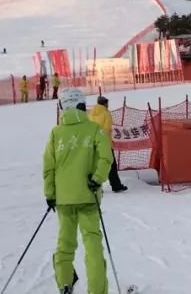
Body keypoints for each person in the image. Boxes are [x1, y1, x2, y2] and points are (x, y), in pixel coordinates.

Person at [43, 88, 113, 294]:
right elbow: (106, 157)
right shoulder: (94, 129)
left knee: (65, 245)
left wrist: (50, 194)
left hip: (64, 200)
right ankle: (97, 290)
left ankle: (64, 284)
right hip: (88, 197)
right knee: (93, 246)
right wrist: (97, 179)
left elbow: (48, 166)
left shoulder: (56, 133)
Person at [88, 95, 127, 192]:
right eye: (107, 103)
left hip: (92, 143)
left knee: (94, 166)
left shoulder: (90, 113)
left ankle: (92, 185)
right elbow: (106, 129)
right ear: (105, 103)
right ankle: (116, 186)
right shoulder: (106, 113)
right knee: (111, 165)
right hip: (105, 143)